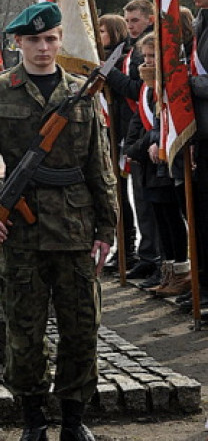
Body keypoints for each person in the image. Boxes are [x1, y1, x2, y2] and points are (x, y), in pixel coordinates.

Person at [0, 2, 117, 441]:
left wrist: (107, 227)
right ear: (18, 43)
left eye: (51, 39)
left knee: (81, 332)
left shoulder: (82, 94)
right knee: (24, 336)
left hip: (75, 231)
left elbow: (100, 166)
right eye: (33, 40)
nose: (43, 48)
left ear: (60, 40)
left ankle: (74, 426)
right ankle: (33, 427)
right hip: (20, 235)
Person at [123, 33, 190, 298]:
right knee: (160, 217)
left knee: (172, 219)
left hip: (164, 161)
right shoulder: (147, 87)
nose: (148, 61)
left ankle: (181, 271)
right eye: (146, 56)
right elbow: (137, 123)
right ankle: (168, 270)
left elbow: (165, 123)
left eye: (153, 56)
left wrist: (149, 142)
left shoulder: (168, 84)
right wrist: (133, 148)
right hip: (147, 162)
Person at [104, 0, 161, 282]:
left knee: (150, 201)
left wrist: (110, 74)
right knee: (138, 198)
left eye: (135, 20)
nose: (130, 26)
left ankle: (155, 257)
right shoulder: (126, 49)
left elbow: (139, 89)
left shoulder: (145, 50)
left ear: (150, 19)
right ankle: (146, 254)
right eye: (127, 21)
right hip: (129, 129)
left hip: (145, 131)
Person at [97, 14, 137, 272]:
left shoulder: (124, 59)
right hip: (105, 134)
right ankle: (119, 248)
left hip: (121, 133)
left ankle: (128, 248)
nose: (99, 35)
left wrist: (108, 72)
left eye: (102, 31)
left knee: (122, 195)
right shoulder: (98, 58)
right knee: (111, 195)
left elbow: (131, 91)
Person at [181, 0, 208, 313]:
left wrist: (187, 83)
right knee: (200, 218)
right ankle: (202, 282)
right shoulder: (200, 23)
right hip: (200, 135)